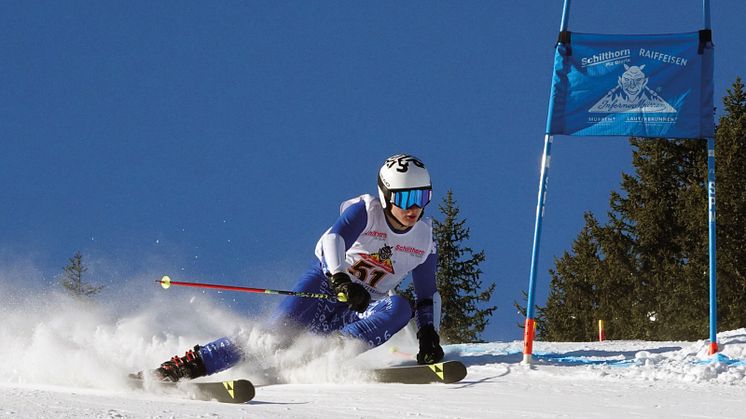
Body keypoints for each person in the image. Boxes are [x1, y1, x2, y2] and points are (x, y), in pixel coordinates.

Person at [151, 154, 444, 382]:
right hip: (326, 286)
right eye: (405, 197)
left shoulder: (424, 238)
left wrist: (429, 334)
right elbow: (334, 239)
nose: (413, 208)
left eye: (421, 197)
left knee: (401, 308)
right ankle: (188, 366)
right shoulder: (367, 211)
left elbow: (426, 294)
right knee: (275, 336)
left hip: (363, 305)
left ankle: (328, 353)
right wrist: (341, 279)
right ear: (386, 195)